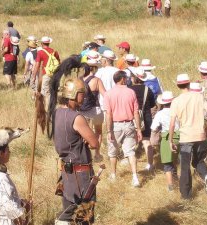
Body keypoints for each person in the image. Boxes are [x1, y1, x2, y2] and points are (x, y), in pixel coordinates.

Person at [53, 78, 99, 225]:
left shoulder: (56, 113)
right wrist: (86, 138)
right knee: (84, 216)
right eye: (81, 93)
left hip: (67, 170)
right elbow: (94, 143)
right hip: (81, 173)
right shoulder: (77, 117)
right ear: (73, 94)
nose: (84, 96)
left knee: (69, 209)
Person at [169, 74, 207, 199]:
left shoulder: (176, 101)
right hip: (200, 136)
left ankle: (186, 196)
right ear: (189, 84)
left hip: (185, 138)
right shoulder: (199, 97)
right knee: (199, 161)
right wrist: (206, 129)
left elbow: (172, 124)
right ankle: (206, 176)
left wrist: (170, 140)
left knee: (185, 167)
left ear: (178, 85)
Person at [104, 70, 143, 187]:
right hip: (129, 124)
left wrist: (108, 130)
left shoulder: (108, 94)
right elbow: (136, 112)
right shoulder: (131, 92)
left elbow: (108, 114)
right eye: (125, 78)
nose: (127, 79)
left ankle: (113, 174)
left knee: (113, 152)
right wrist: (139, 129)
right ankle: (135, 177)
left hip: (115, 125)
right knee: (130, 152)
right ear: (122, 79)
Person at [79, 53, 106, 162]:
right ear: (94, 68)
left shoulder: (79, 79)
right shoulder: (96, 80)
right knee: (98, 131)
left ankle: (85, 154)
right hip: (95, 110)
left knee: (83, 133)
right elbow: (105, 94)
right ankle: (97, 154)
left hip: (82, 110)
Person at [151, 91, 179, 191]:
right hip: (180, 137)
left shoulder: (160, 114)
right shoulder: (178, 111)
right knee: (176, 161)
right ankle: (177, 181)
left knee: (168, 163)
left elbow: (154, 127)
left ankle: (171, 186)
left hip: (167, 137)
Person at [129, 67, 155, 171]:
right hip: (146, 118)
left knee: (130, 141)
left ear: (134, 78)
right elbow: (152, 104)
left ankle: (131, 161)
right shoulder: (147, 90)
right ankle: (150, 164)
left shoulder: (129, 90)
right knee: (146, 141)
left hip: (132, 118)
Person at [32, 36, 60, 109]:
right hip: (54, 74)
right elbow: (59, 62)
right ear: (49, 43)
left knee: (46, 93)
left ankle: (48, 110)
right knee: (53, 91)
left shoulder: (40, 52)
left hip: (46, 74)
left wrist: (34, 76)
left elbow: (37, 65)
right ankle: (54, 105)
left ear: (42, 43)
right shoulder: (54, 51)